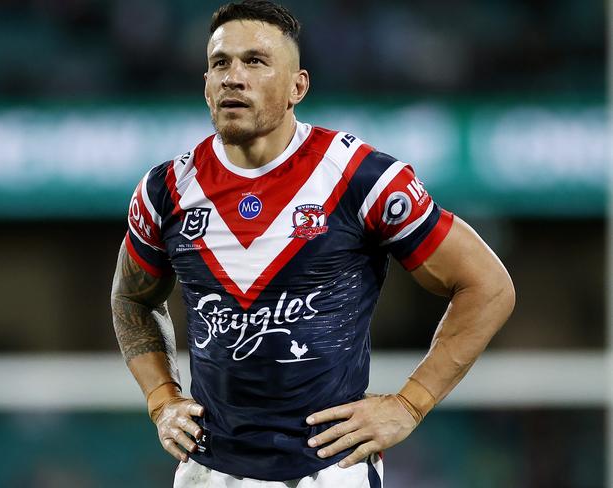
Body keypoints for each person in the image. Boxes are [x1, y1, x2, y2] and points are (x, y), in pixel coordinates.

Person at [110, 1, 515, 486]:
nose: (233, 77)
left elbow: (488, 286)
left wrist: (410, 403)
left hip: (331, 472)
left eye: (255, 62)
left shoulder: (360, 178)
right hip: (209, 471)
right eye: (221, 63)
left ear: (297, 87)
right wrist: (162, 400)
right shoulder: (165, 190)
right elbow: (131, 298)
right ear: (205, 85)